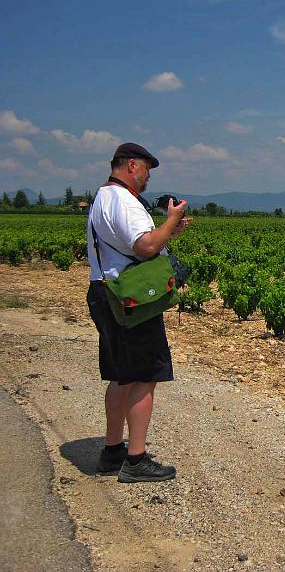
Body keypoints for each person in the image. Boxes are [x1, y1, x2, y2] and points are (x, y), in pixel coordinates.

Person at [86, 143, 190, 482]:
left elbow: (135, 243)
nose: (147, 178)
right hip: (130, 301)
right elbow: (145, 247)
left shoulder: (103, 197)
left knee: (121, 374)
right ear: (132, 165)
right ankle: (136, 459)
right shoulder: (125, 201)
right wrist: (171, 219)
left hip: (105, 293)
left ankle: (112, 450)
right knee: (145, 376)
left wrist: (167, 231)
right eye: (146, 169)